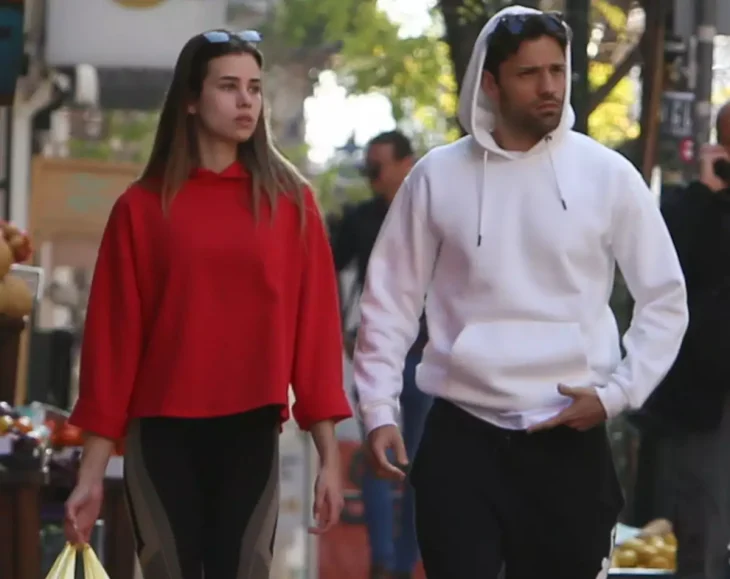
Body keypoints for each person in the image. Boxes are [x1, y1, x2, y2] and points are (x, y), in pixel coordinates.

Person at [352, 6, 689, 579]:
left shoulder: (607, 175)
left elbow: (664, 298)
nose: (549, 86)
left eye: (557, 70)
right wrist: (380, 409)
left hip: (570, 434)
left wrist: (618, 394)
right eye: (529, 73)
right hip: (462, 434)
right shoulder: (437, 176)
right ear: (490, 82)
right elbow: (389, 302)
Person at [63, 29, 352, 579]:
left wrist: (329, 459)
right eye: (228, 86)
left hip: (251, 433)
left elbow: (315, 334)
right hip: (159, 436)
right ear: (191, 100)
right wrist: (90, 474)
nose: (246, 101)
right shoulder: (141, 208)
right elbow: (113, 345)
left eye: (254, 88)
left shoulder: (290, 204)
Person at [330, 131, 432, 579]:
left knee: (419, 463)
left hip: (428, 357)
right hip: (377, 353)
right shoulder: (361, 219)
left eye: (379, 165)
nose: (371, 174)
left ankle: (405, 561)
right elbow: (327, 268)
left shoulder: (433, 214)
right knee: (379, 455)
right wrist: (340, 328)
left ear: (406, 164)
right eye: (368, 166)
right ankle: (383, 560)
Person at [635, 101, 730, 579]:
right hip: (706, 401)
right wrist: (707, 194)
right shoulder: (690, 208)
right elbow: (668, 276)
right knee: (702, 534)